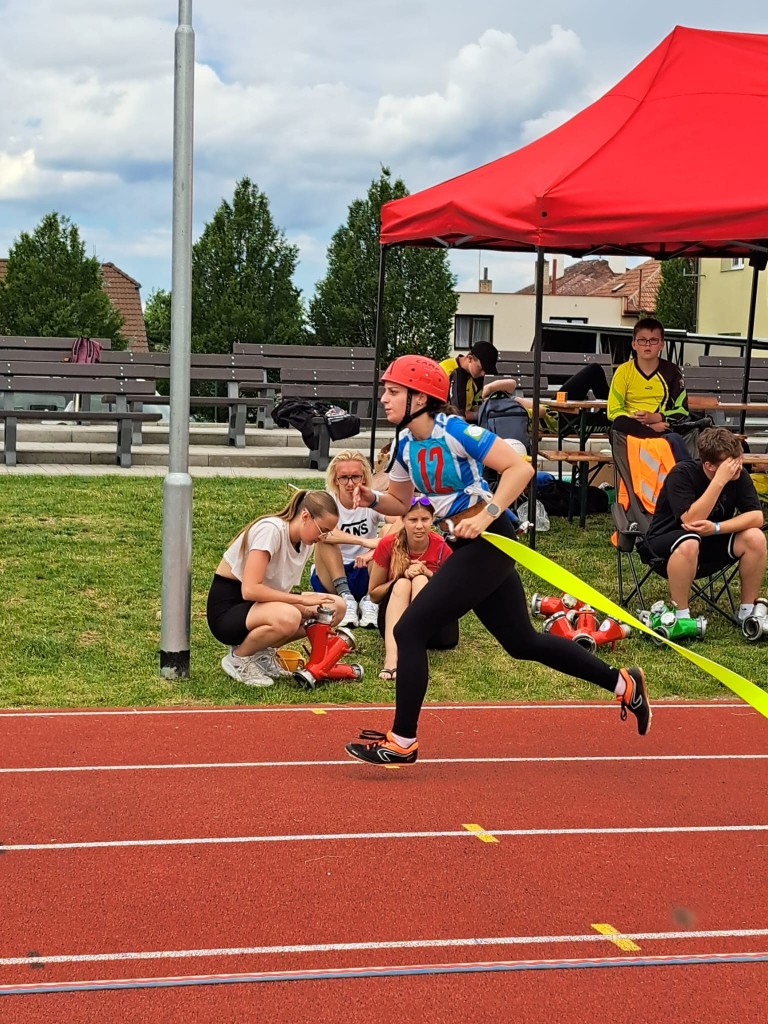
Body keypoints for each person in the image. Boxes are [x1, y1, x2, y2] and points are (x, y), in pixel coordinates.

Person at [344, 354, 652, 766]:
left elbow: (519, 469)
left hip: (491, 540)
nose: (384, 398)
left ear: (420, 398)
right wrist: (373, 499)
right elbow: (400, 502)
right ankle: (625, 684)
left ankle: (403, 740)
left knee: (410, 628)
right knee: (522, 643)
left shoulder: (455, 430)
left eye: (393, 391)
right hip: (469, 545)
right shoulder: (403, 444)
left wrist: (487, 515)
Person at [206, 490, 344, 686]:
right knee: (290, 617)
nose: (324, 537)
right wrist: (301, 602)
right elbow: (250, 590)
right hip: (229, 610)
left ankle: (261, 653)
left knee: (336, 607)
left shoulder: (306, 543)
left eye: (328, 532)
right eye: (322, 530)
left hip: (262, 604)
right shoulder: (271, 530)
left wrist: (304, 607)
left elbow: (276, 591)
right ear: (305, 516)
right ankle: (239, 658)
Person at [645, 427, 766, 624]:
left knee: (756, 537)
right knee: (690, 541)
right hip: (668, 542)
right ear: (709, 465)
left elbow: (756, 517)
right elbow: (691, 521)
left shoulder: (739, 474)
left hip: (710, 540)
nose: (737, 467)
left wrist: (716, 528)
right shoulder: (682, 473)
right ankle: (681, 618)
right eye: (729, 464)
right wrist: (719, 481)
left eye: (738, 459)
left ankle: (748, 612)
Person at [368, 496, 456, 680]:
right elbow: (374, 595)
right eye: (413, 520)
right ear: (403, 520)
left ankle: (414, 652)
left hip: (436, 628)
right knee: (403, 583)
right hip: (395, 621)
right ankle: (391, 657)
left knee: (420, 579)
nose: (419, 526)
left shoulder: (443, 548)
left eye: (425, 519)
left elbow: (454, 596)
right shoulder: (388, 544)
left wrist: (428, 573)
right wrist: (401, 576)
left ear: (432, 520)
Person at [310, 450, 391, 629]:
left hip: (366, 571)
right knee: (324, 538)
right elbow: (324, 532)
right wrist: (365, 542)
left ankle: (370, 601)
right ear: (335, 480)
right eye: (344, 478)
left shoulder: (373, 499)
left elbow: (401, 522)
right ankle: (346, 599)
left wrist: (372, 552)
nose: (350, 483)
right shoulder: (327, 501)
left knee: (388, 530)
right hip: (331, 575)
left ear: (364, 477)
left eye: (355, 477)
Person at [607, 318, 694, 461]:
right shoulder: (623, 371)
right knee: (619, 423)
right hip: (630, 431)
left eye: (653, 340)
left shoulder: (672, 372)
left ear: (662, 344)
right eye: (642, 340)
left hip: (662, 427)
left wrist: (656, 417)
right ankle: (658, 438)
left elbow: (683, 410)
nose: (648, 345)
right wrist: (647, 425)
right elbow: (613, 411)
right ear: (634, 344)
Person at [441, 341, 517, 421]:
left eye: (486, 370)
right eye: (480, 369)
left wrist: (489, 388)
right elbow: (446, 411)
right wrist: (477, 415)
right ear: (470, 358)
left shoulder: (475, 375)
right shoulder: (446, 371)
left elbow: (512, 385)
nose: (483, 374)